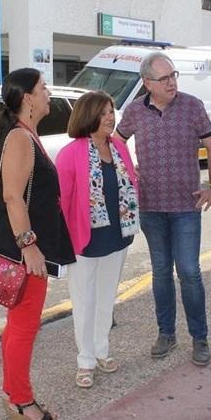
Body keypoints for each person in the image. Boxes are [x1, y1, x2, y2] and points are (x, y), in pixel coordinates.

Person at [114, 52, 211, 366]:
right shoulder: (135, 111)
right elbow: (115, 141)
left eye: (174, 75)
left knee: (190, 272)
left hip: (186, 206)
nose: (172, 83)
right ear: (147, 83)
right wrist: (128, 169)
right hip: (150, 207)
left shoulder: (192, 105)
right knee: (161, 273)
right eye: (164, 78)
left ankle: (200, 337)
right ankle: (166, 333)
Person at [0, 68, 75, 420]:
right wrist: (30, 247)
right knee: (24, 327)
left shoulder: (25, 135)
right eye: (43, 88)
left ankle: (13, 395)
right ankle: (22, 402)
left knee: (17, 325)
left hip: (26, 249)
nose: (48, 93)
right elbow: (12, 196)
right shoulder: (20, 139)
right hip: (25, 252)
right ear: (27, 98)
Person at [56, 91, 139, 389]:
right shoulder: (71, 153)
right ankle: (85, 360)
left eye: (112, 111)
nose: (110, 117)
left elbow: (130, 183)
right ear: (88, 115)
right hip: (84, 240)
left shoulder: (119, 147)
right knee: (84, 301)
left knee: (106, 298)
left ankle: (102, 350)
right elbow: (61, 200)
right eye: (104, 112)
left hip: (117, 236)